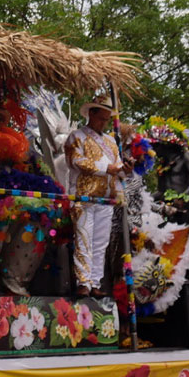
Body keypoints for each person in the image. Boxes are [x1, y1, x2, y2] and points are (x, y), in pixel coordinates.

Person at [64, 95, 125, 298]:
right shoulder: (77, 136)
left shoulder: (111, 141)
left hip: (106, 198)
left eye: (107, 119)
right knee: (84, 240)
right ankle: (84, 282)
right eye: (101, 118)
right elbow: (76, 161)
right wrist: (107, 168)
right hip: (84, 197)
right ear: (91, 113)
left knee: (101, 244)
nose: (104, 122)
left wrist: (127, 169)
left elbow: (119, 168)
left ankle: (96, 282)